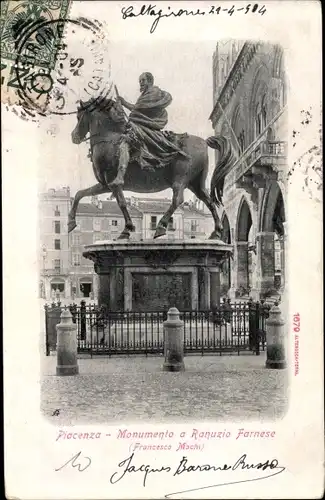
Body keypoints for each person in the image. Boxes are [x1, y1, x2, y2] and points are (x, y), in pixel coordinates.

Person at [108, 72, 187, 188]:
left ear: (150, 81)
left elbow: (136, 108)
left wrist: (124, 102)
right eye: (140, 81)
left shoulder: (153, 92)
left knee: (124, 143)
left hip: (145, 128)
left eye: (143, 81)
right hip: (142, 125)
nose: (141, 83)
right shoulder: (147, 94)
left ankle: (120, 176)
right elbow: (139, 110)